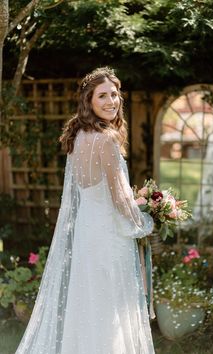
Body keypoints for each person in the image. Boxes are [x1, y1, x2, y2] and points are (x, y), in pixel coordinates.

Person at [15, 67, 155, 354]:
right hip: (109, 235)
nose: (111, 101)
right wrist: (146, 221)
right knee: (112, 306)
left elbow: (97, 191)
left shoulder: (79, 137)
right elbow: (119, 199)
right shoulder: (106, 140)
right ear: (88, 101)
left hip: (86, 234)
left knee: (90, 307)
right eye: (102, 96)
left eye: (114, 94)